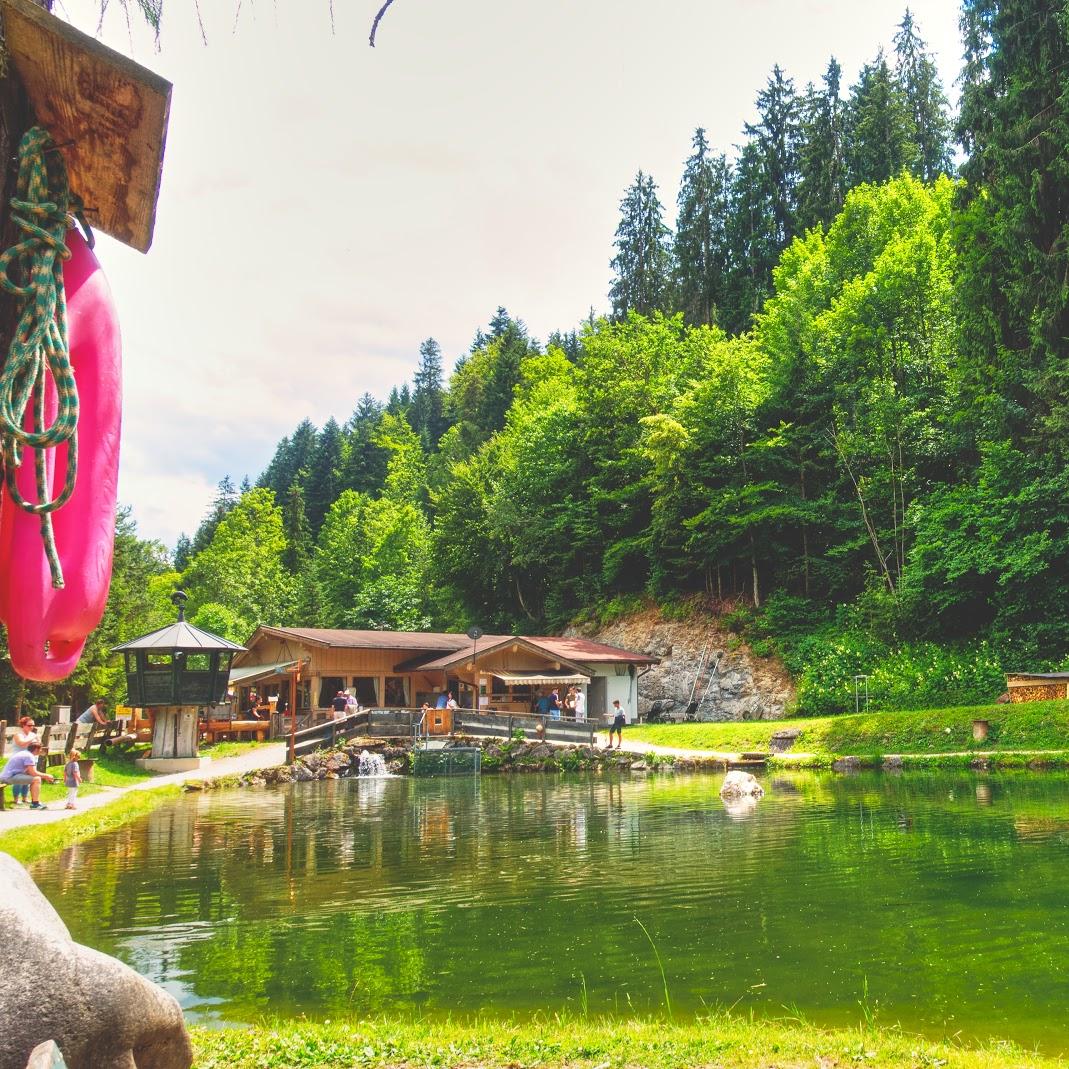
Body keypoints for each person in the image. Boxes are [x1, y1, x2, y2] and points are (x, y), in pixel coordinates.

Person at [0, 741, 56, 809]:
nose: (41, 751)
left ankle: (35, 802)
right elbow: (33, 773)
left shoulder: (25, 753)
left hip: (8, 776)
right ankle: (35, 804)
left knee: (35, 778)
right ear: (36, 749)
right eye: (40, 749)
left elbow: (29, 772)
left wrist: (44, 776)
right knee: (37, 779)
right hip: (8, 777)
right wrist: (47, 776)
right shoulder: (29, 756)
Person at [10, 717, 39, 805]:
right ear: (23, 725)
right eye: (29, 725)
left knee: (28, 780)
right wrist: (33, 738)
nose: (32, 727)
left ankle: (25, 797)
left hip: (30, 760)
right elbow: (22, 743)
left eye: (33, 725)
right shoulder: (18, 735)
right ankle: (16, 798)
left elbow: (38, 746)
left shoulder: (33, 735)